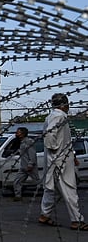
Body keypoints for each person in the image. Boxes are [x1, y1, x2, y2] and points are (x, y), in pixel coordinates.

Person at [37, 93, 87, 230]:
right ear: (65, 105)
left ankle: (45, 214)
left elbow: (62, 140)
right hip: (60, 160)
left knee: (51, 189)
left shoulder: (53, 116)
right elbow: (49, 135)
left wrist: (72, 156)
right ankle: (77, 220)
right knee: (69, 188)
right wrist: (55, 151)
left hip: (57, 159)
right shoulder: (58, 116)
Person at [11, 127, 39, 202]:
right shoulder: (21, 142)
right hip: (23, 166)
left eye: (18, 132)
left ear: (23, 134)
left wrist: (30, 164)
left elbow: (32, 154)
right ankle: (18, 196)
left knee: (38, 181)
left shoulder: (28, 142)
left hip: (30, 166)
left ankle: (49, 193)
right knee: (17, 181)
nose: (16, 133)